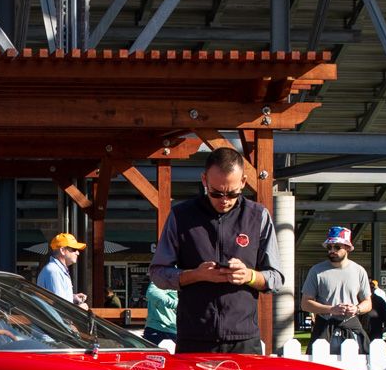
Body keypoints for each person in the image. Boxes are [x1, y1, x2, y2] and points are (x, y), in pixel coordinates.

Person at [148, 146, 283, 354]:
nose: (225, 200)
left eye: (233, 193)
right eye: (216, 193)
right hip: (194, 337)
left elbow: (276, 277)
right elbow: (157, 273)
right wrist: (195, 275)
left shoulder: (258, 216)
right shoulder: (181, 216)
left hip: (244, 339)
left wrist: (248, 275)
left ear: (244, 183)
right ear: (204, 180)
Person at [300, 226, 373, 346]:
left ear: (348, 248)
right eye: (329, 247)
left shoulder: (359, 271)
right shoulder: (316, 270)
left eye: (337, 247)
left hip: (351, 326)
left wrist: (356, 309)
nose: (332, 250)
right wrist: (331, 309)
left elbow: (368, 303)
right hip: (324, 326)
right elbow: (305, 304)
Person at [36, 232, 88, 306]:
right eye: (74, 249)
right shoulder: (54, 272)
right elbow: (59, 306)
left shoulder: (56, 270)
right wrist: (80, 309)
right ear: (62, 250)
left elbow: (57, 299)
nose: (78, 253)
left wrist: (72, 297)